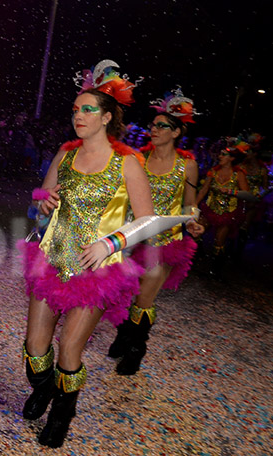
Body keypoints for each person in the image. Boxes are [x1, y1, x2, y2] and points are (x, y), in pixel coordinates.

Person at [21, 60, 156, 448]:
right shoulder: (64, 155)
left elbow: (147, 221)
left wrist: (109, 243)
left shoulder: (127, 163)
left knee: (70, 347)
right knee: (35, 346)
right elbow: (38, 202)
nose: (78, 115)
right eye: (76, 109)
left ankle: (63, 413)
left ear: (107, 116)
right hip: (53, 259)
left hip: (97, 269)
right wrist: (42, 205)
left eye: (88, 109)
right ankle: (45, 389)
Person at [108, 88, 205, 375]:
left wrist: (193, 223)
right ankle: (124, 334)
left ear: (176, 132)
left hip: (165, 242)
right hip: (132, 238)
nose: (154, 129)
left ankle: (136, 348)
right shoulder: (137, 159)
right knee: (124, 293)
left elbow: (189, 206)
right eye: (153, 125)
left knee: (144, 299)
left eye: (162, 126)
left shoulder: (187, 166)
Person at [195, 143, 249, 273]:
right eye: (220, 154)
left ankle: (216, 270)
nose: (220, 156)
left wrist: (231, 192)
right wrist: (194, 205)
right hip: (209, 208)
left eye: (223, 154)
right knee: (196, 232)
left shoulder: (238, 174)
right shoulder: (213, 171)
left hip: (227, 212)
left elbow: (246, 193)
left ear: (231, 158)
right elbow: (203, 190)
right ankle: (196, 259)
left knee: (219, 242)